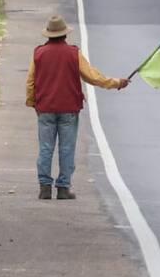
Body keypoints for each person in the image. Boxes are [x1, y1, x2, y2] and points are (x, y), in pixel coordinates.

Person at [25, 15, 130, 200]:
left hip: (45, 108)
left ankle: (45, 187)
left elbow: (30, 82)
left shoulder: (38, 54)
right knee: (66, 148)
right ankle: (63, 188)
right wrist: (117, 83)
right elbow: (93, 77)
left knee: (45, 148)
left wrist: (33, 102)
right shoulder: (74, 54)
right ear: (65, 35)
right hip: (69, 109)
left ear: (48, 35)